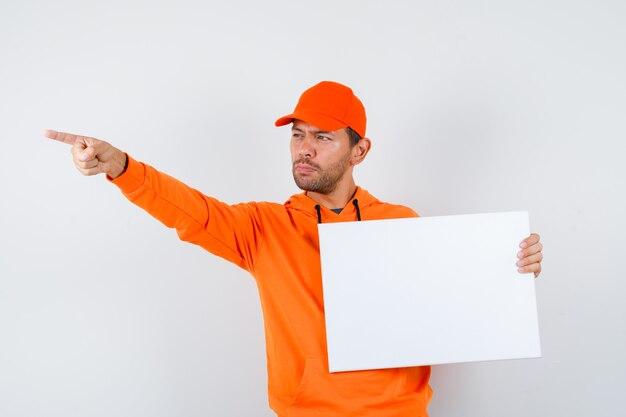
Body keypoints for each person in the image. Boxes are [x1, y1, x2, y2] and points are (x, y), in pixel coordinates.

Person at [45, 81, 543, 417]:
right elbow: (190, 210)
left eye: (322, 137)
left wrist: (510, 271)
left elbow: (453, 310)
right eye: (298, 135)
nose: (304, 148)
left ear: (359, 150)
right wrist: (122, 167)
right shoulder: (265, 227)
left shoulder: (401, 224)